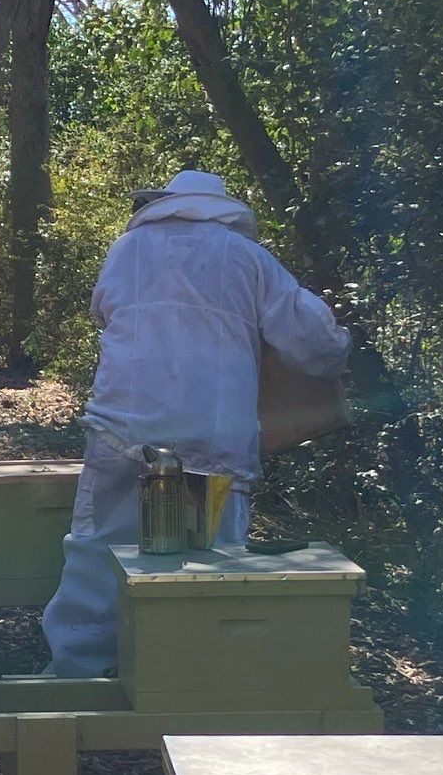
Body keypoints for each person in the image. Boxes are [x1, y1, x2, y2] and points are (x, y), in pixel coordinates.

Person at [40, 169, 350, 676]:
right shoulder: (248, 258)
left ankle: (78, 670)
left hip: (124, 424)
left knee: (100, 551)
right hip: (216, 433)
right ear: (221, 208)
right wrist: (339, 350)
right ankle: (191, 677)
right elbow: (314, 342)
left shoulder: (126, 250)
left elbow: (104, 312)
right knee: (213, 562)